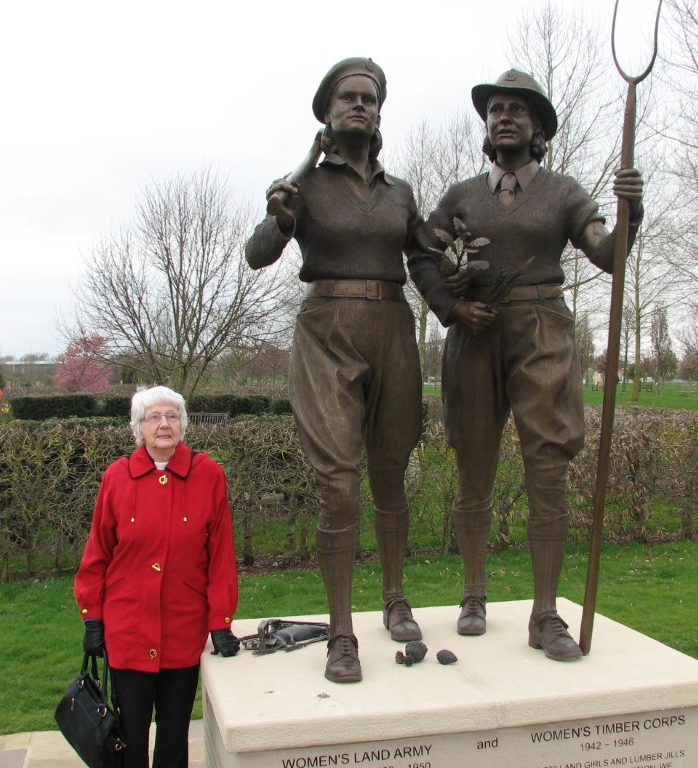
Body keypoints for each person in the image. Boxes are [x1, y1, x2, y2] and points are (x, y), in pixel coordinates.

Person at [416, 69, 644, 660]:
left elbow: (606, 253)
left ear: (538, 126)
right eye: (495, 110)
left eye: (517, 109)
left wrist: (630, 216)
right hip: (475, 335)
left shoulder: (566, 192)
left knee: (548, 469)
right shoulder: (462, 195)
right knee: (474, 468)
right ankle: (473, 594)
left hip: (542, 331)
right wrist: (449, 306)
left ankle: (545, 615)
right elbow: (421, 251)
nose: (504, 118)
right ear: (487, 127)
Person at [245, 57, 441, 683]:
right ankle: (340, 632)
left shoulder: (400, 193)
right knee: (339, 483)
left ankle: (393, 596)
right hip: (327, 330)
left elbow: (429, 261)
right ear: (326, 113)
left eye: (370, 98)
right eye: (348, 97)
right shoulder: (303, 187)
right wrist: (279, 213)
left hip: (392, 330)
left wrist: (458, 299)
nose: (361, 105)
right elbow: (257, 254)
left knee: (390, 473)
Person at [75, 385, 239, 767]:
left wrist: (221, 621)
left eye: (172, 416)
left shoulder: (208, 474)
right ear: (139, 428)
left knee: (174, 733)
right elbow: (97, 553)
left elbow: (220, 557)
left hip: (182, 627)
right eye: (154, 417)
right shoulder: (116, 478)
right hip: (128, 628)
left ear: (183, 425)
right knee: (129, 735)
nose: (164, 424)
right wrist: (92, 617)